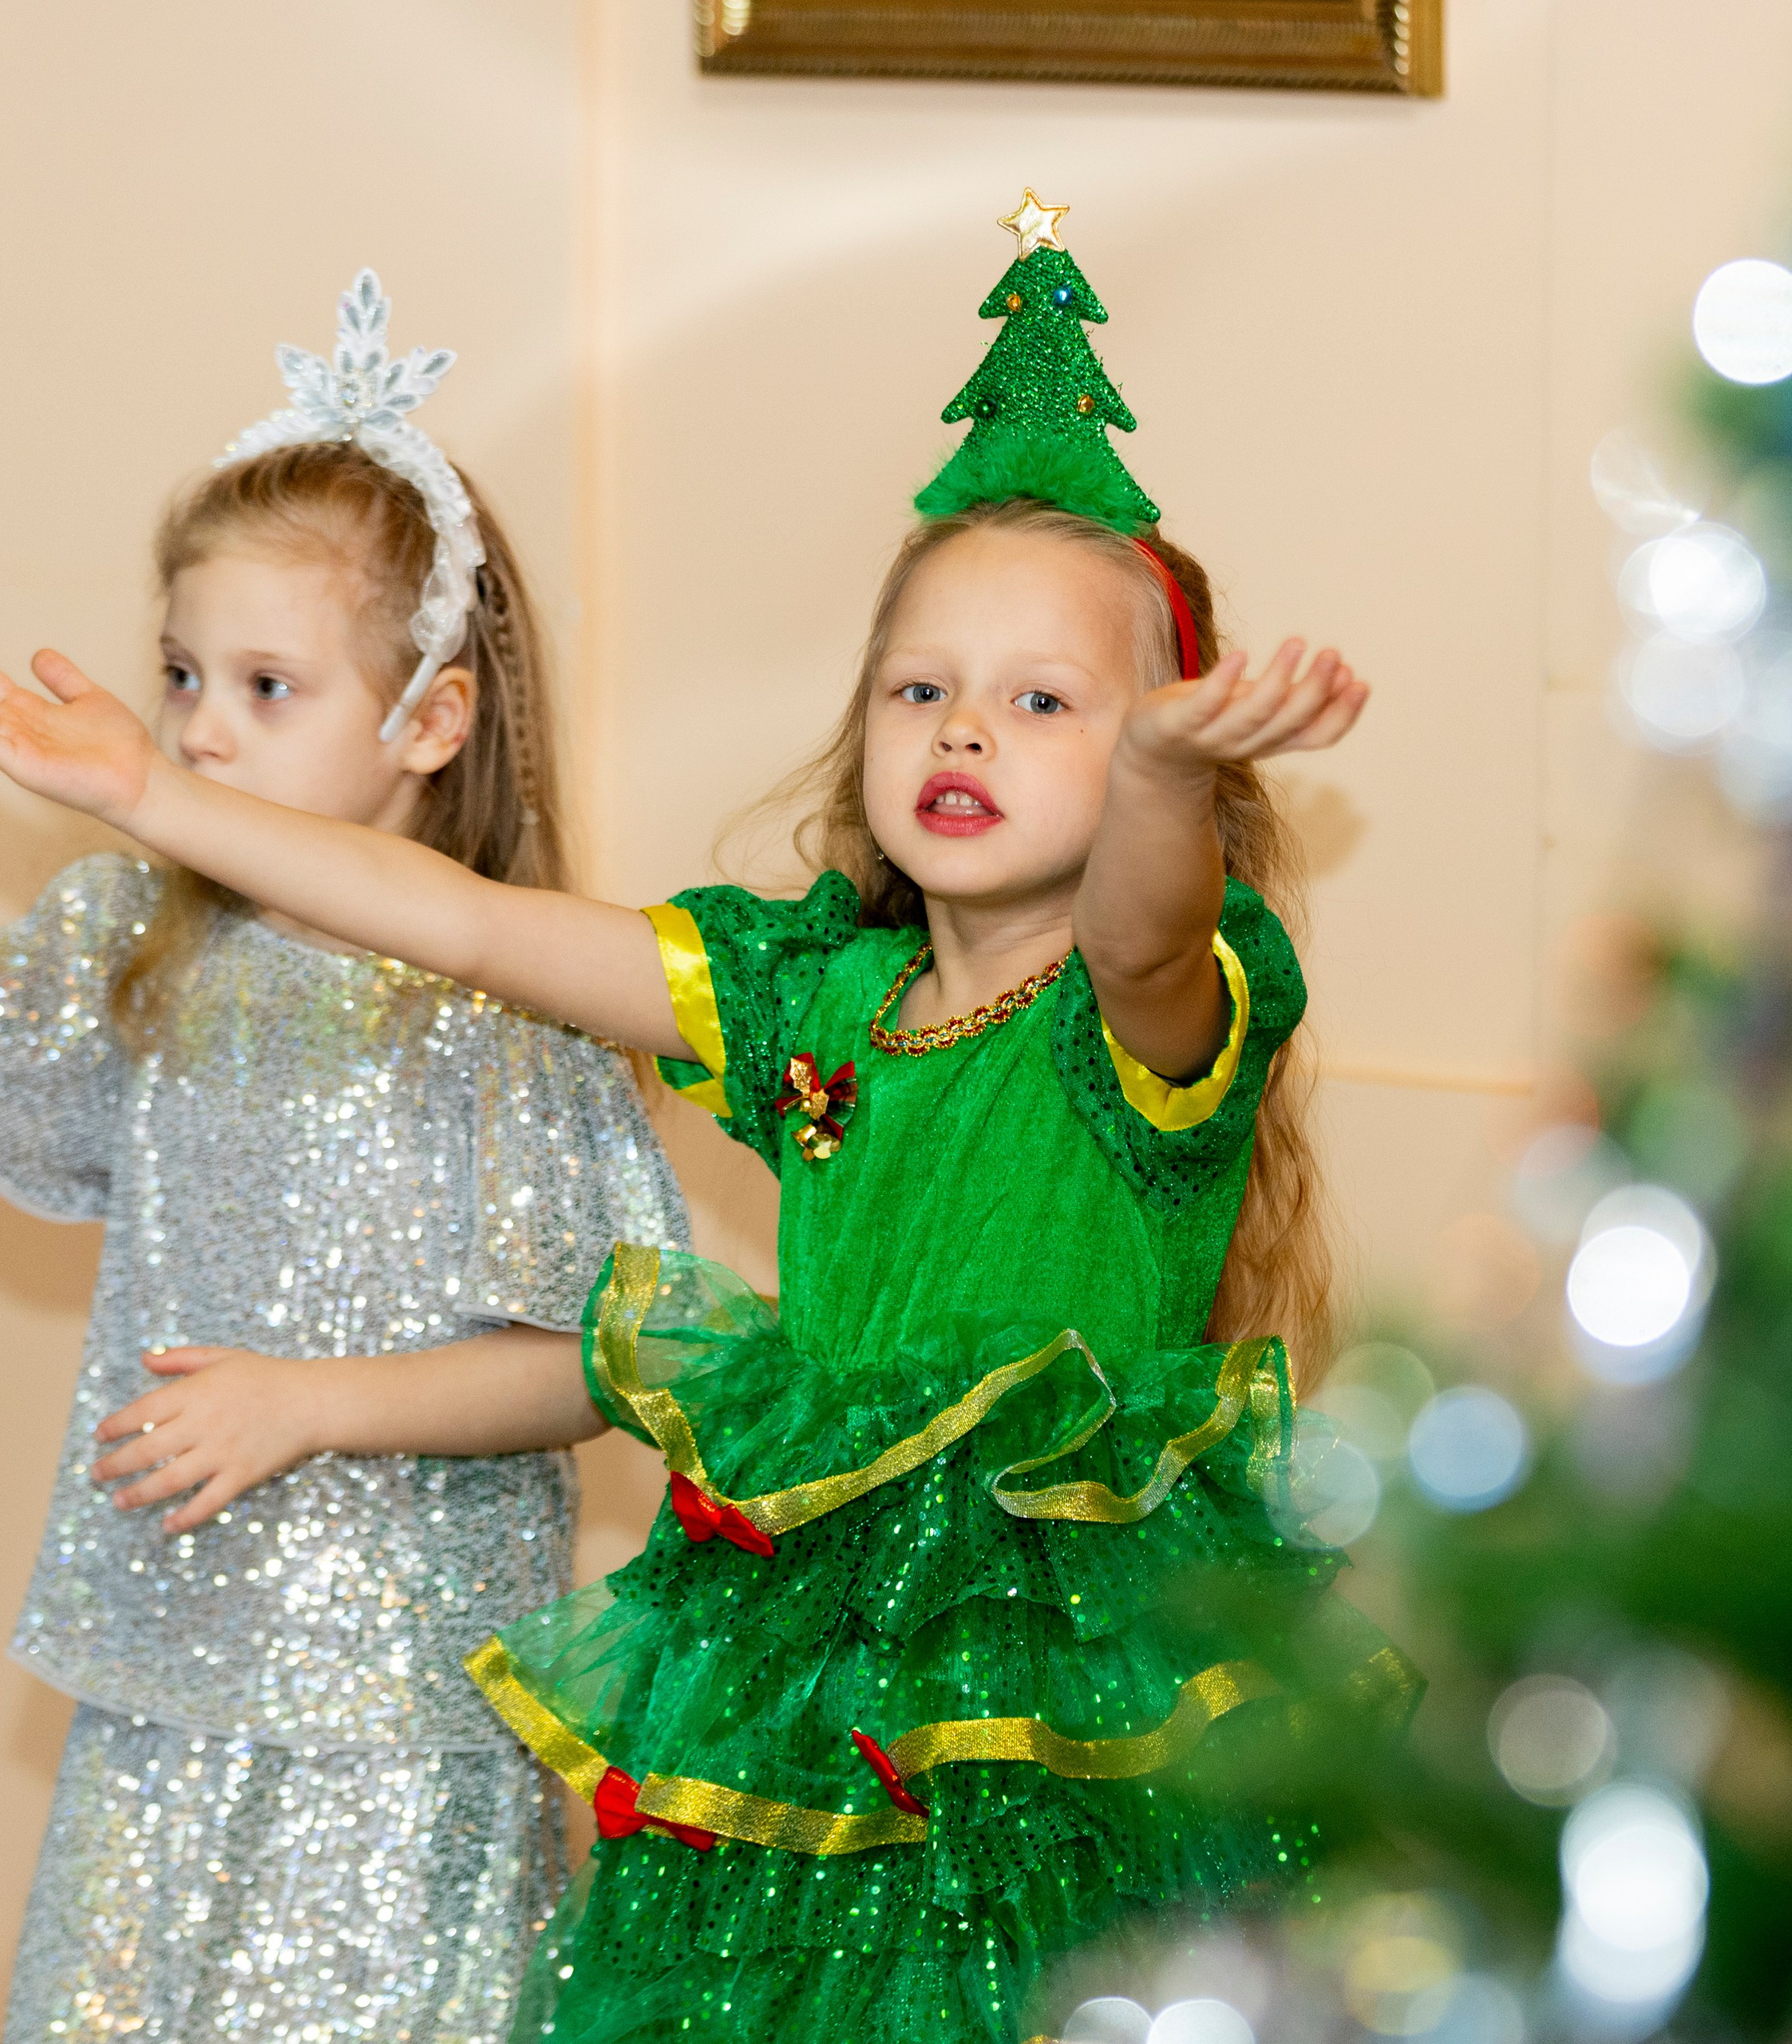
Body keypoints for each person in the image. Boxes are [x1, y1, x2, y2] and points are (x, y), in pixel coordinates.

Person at [0, 208, 1416, 2044]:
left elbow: (1144, 919)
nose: (963, 728)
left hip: (1055, 1704)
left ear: (1166, 763)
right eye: (921, 687)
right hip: (800, 1668)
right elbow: (461, 916)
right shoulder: (795, 997)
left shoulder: (1145, 1010)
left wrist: (1162, 778)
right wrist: (152, 796)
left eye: (1044, 700)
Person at [0, 272, 690, 2042]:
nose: (199, 727)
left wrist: (309, 1399)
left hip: (402, 1729)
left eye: (264, 683)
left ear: (428, 722)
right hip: (160, 1692)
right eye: (181, 674)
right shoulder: (118, 947)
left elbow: (586, 1370)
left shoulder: (498, 1004)